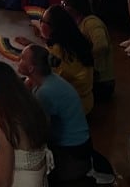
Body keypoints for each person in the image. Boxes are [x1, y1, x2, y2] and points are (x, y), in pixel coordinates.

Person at [16, 44, 98, 184]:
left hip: (71, 153)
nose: (19, 59)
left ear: (31, 69)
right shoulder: (47, 79)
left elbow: (38, 131)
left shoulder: (45, 92)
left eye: (22, 58)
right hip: (80, 145)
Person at [61, 0, 115, 100]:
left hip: (101, 83)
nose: (63, 7)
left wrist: (85, 61)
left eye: (65, 4)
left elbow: (102, 46)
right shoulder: (77, 23)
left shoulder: (91, 23)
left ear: (75, 6)